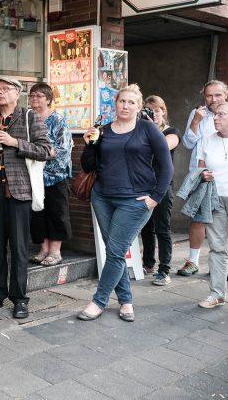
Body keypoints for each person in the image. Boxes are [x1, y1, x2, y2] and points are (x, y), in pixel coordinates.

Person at [77, 84, 173, 323]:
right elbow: (88, 166)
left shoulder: (148, 129)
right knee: (115, 252)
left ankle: (98, 301)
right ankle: (126, 301)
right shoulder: (104, 130)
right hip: (103, 197)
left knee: (117, 251)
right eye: (122, 101)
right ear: (115, 104)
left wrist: (155, 198)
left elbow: (167, 167)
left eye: (131, 102)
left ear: (139, 107)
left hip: (135, 200)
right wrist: (89, 143)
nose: (126, 106)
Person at [0, 78, 51, 319]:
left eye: (5, 89)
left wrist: (14, 142)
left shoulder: (29, 118)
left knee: (18, 247)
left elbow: (45, 151)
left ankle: (19, 298)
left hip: (18, 191)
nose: (0, 93)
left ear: (17, 94)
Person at [178, 80, 228, 276]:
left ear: (226, 94)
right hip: (201, 174)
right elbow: (188, 143)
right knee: (198, 219)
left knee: (224, 221)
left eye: (218, 95)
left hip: (225, 176)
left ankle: (218, 265)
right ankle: (193, 262)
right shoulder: (198, 113)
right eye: (209, 95)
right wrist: (195, 121)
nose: (213, 99)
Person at [28, 83, 73, 267]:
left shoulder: (58, 120)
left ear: (48, 99)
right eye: (32, 96)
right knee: (38, 213)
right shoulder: (29, 118)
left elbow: (63, 150)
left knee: (57, 213)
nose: (34, 99)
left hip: (56, 175)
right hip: (34, 175)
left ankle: (55, 251)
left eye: (39, 96)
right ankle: (43, 249)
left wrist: (39, 152)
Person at [195, 101, 228, 308]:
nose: (216, 118)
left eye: (221, 114)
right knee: (217, 248)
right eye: (215, 115)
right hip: (215, 198)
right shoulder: (207, 141)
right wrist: (204, 175)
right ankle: (217, 294)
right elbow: (199, 170)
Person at [139, 95, 180, 286]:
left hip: (162, 186)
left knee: (162, 229)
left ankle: (164, 270)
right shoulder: (142, 131)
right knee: (146, 228)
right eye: (149, 110)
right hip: (144, 185)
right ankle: (148, 264)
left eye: (156, 110)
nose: (153, 114)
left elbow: (163, 146)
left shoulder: (172, 132)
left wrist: (151, 129)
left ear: (163, 111)